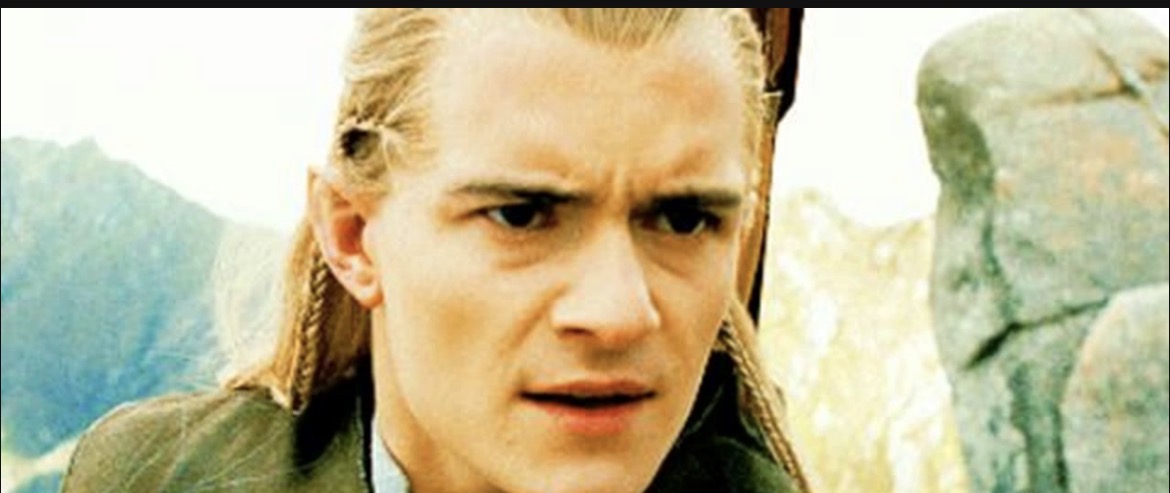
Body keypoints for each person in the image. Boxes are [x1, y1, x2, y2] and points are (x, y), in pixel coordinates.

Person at [61, 8, 810, 493]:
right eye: (521, 215)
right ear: (354, 235)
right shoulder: (154, 478)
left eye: (684, 220)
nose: (618, 312)